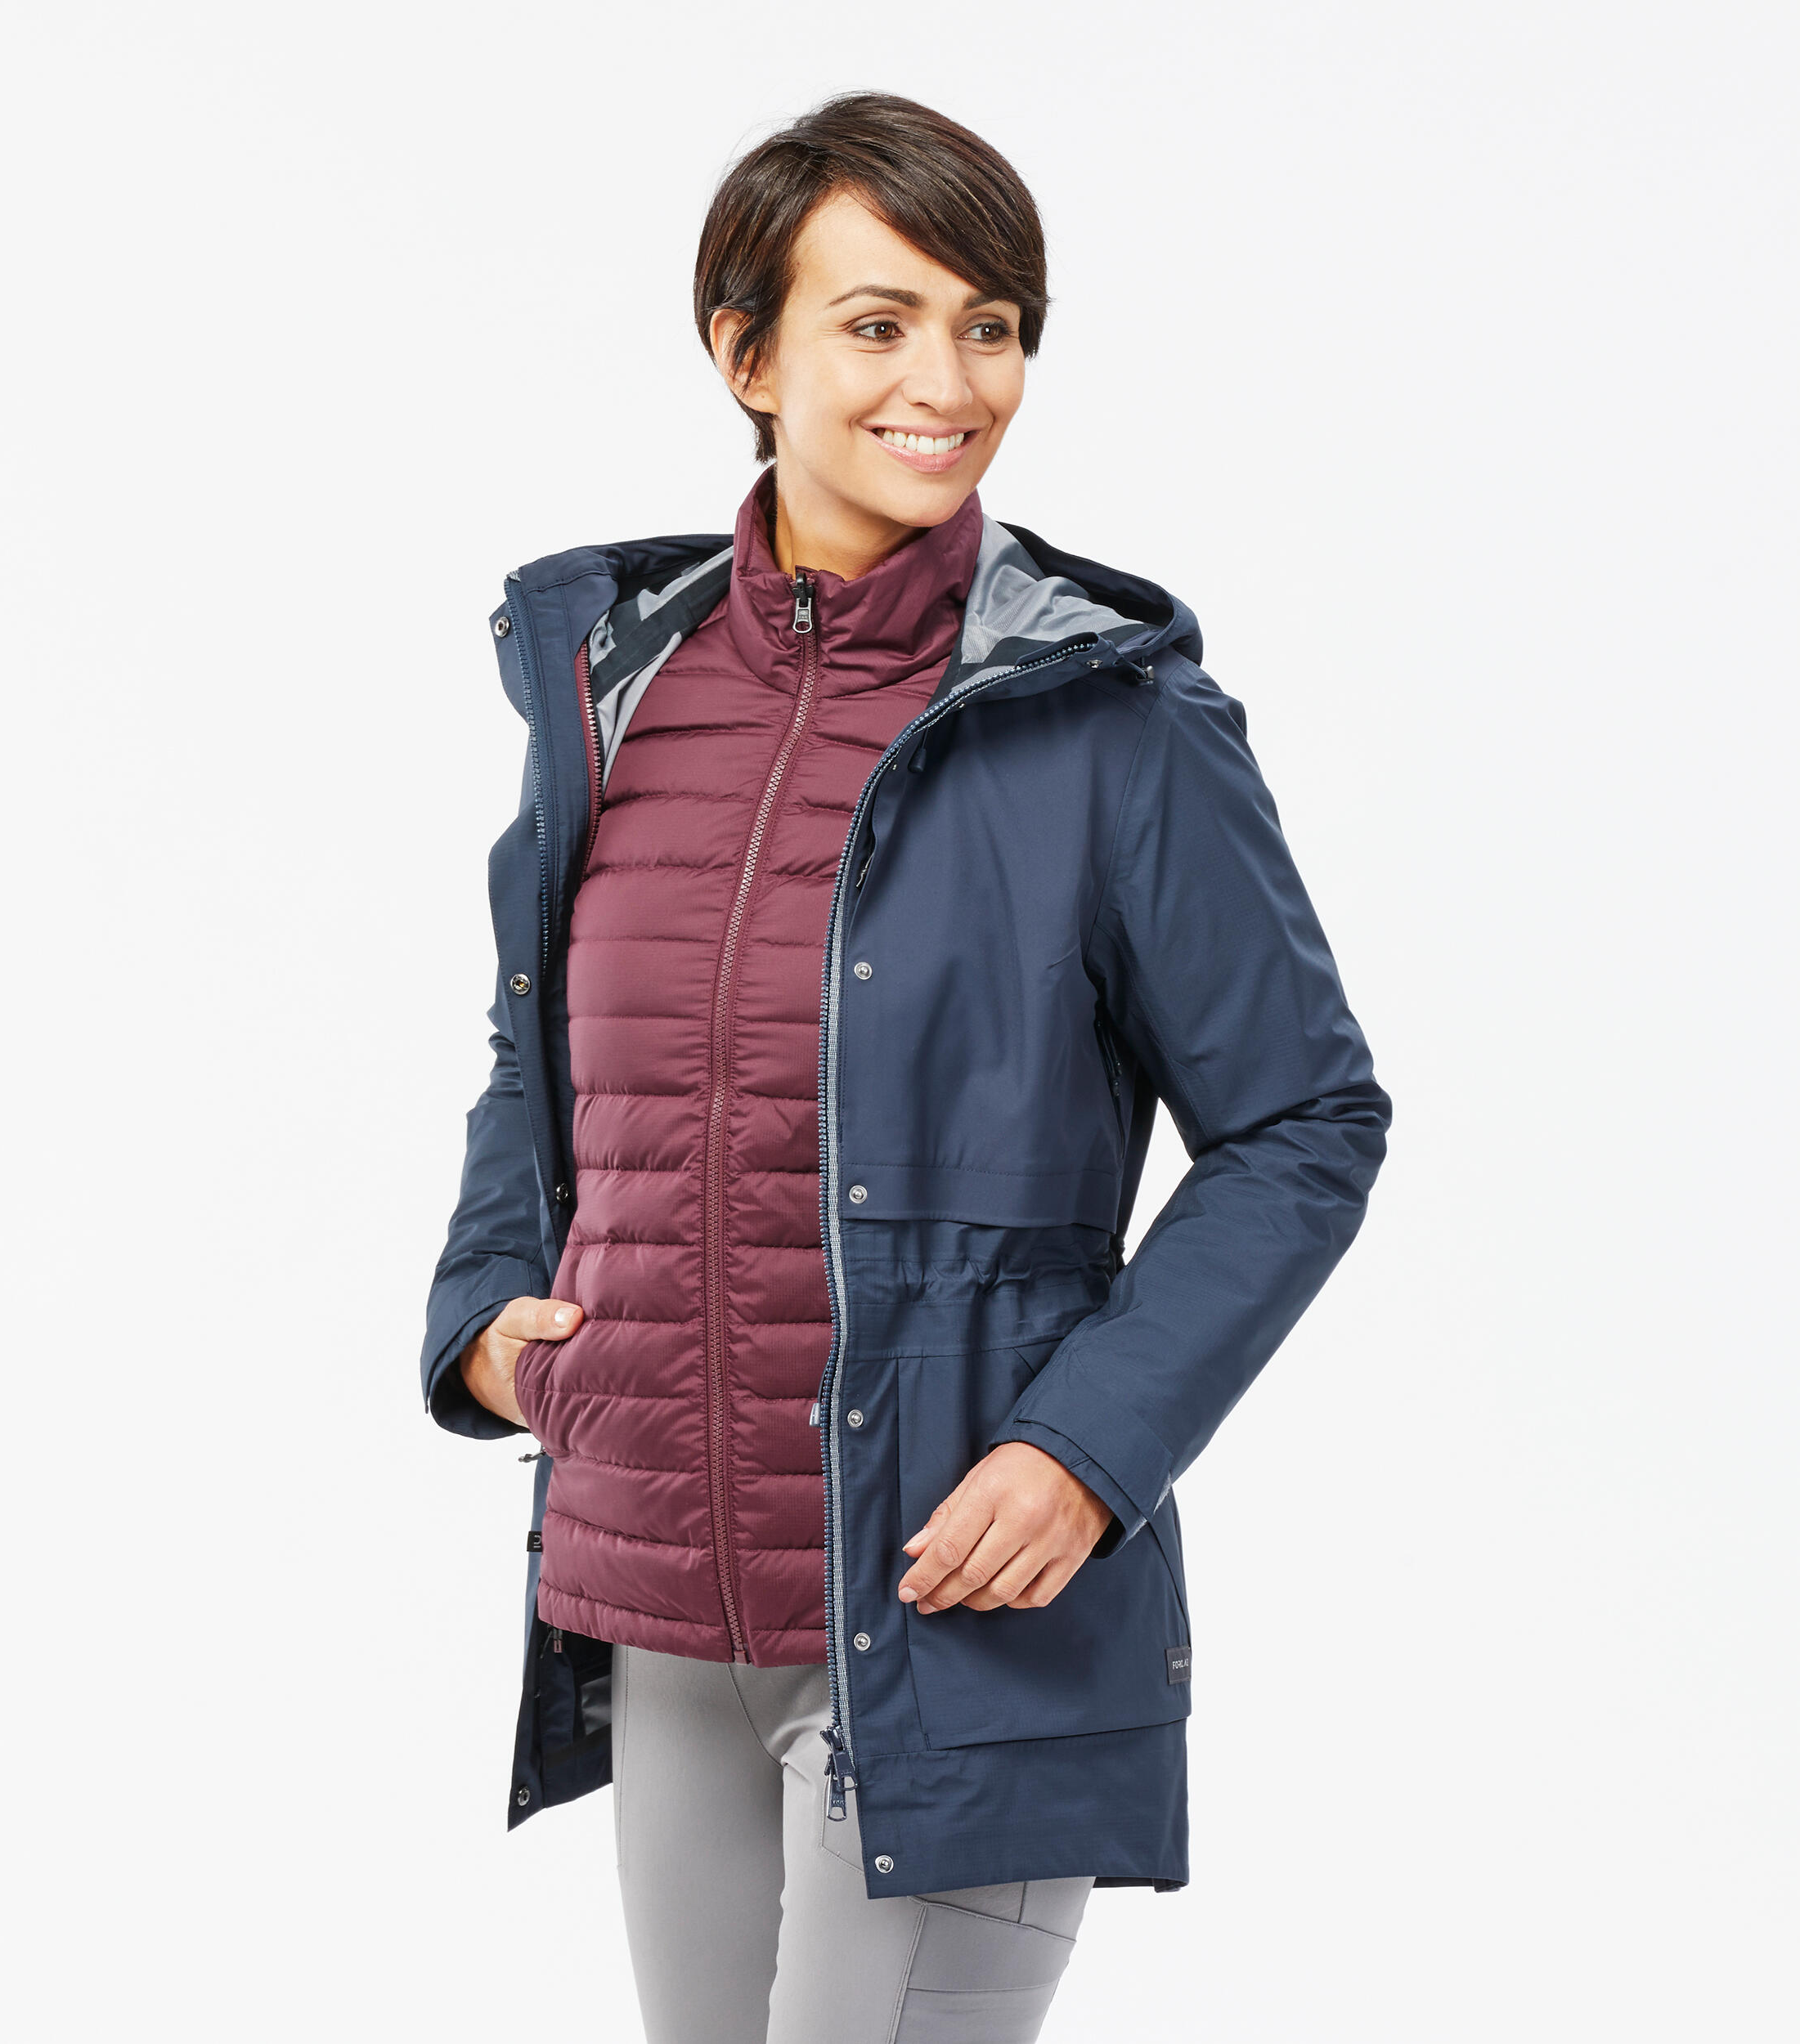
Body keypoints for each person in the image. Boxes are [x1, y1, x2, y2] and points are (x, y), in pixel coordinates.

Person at [419, 91, 1389, 2044]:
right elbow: (543, 1041)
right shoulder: (616, 689)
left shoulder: (1110, 719)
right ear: (743, 352)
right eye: (875, 324)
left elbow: (1302, 1120)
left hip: (955, 1612)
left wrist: (1083, 1445)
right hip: (661, 1592)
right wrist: (483, 1320)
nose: (945, 384)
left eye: (988, 324)